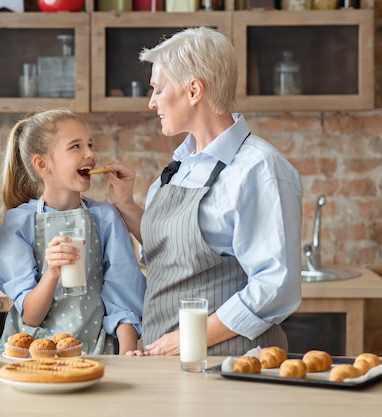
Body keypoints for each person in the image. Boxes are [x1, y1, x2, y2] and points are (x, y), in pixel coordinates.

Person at [103, 27, 302, 356]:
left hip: (232, 364)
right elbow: (171, 254)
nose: (151, 102)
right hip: (169, 360)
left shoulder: (258, 168)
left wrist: (188, 337)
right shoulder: (181, 165)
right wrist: (127, 205)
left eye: (158, 89)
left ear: (194, 90)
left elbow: (275, 286)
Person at [0, 108, 145, 355]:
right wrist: (52, 272)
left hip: (94, 351)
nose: (90, 154)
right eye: (76, 147)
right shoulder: (18, 223)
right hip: (33, 354)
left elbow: (123, 299)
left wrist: (128, 354)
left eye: (90, 145)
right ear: (42, 164)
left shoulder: (105, 217)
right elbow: (31, 315)